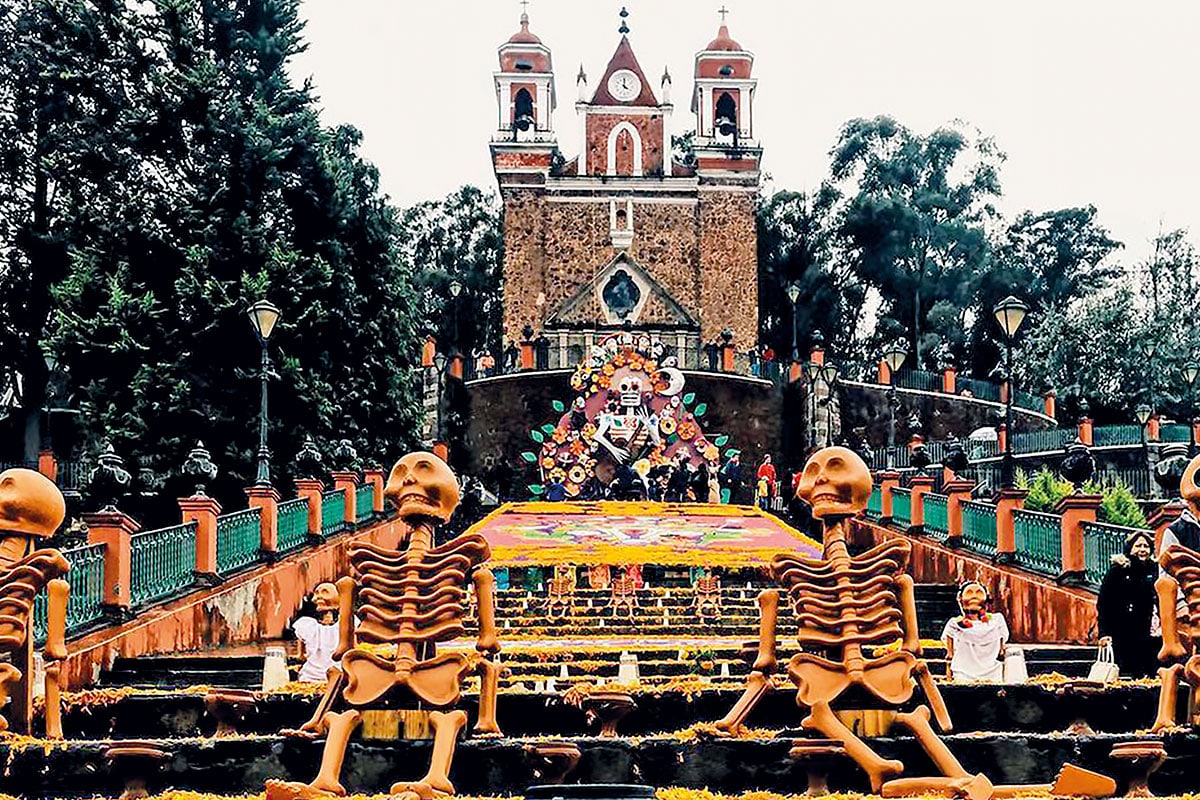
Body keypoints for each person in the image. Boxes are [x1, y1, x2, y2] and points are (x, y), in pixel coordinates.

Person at [1097, 529, 1160, 678]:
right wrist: (1104, 633)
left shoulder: (1156, 570)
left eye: (1146, 546)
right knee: (1124, 674)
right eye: (1138, 546)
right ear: (1130, 548)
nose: (1142, 550)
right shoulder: (1117, 571)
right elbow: (1104, 603)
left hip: (1150, 632)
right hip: (1123, 632)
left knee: (1150, 675)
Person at [942, 580, 1009, 683]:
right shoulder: (954, 624)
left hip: (993, 672)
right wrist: (949, 680)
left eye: (978, 593)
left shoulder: (997, 621)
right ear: (960, 598)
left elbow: (1001, 651)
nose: (974, 596)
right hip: (963, 674)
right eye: (969, 593)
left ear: (986, 598)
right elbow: (950, 656)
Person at [292, 583, 345, 683]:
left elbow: (301, 656)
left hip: (325, 676)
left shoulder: (306, 626)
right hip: (316, 677)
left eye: (324, 592)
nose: (319, 597)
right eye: (317, 593)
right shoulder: (306, 625)